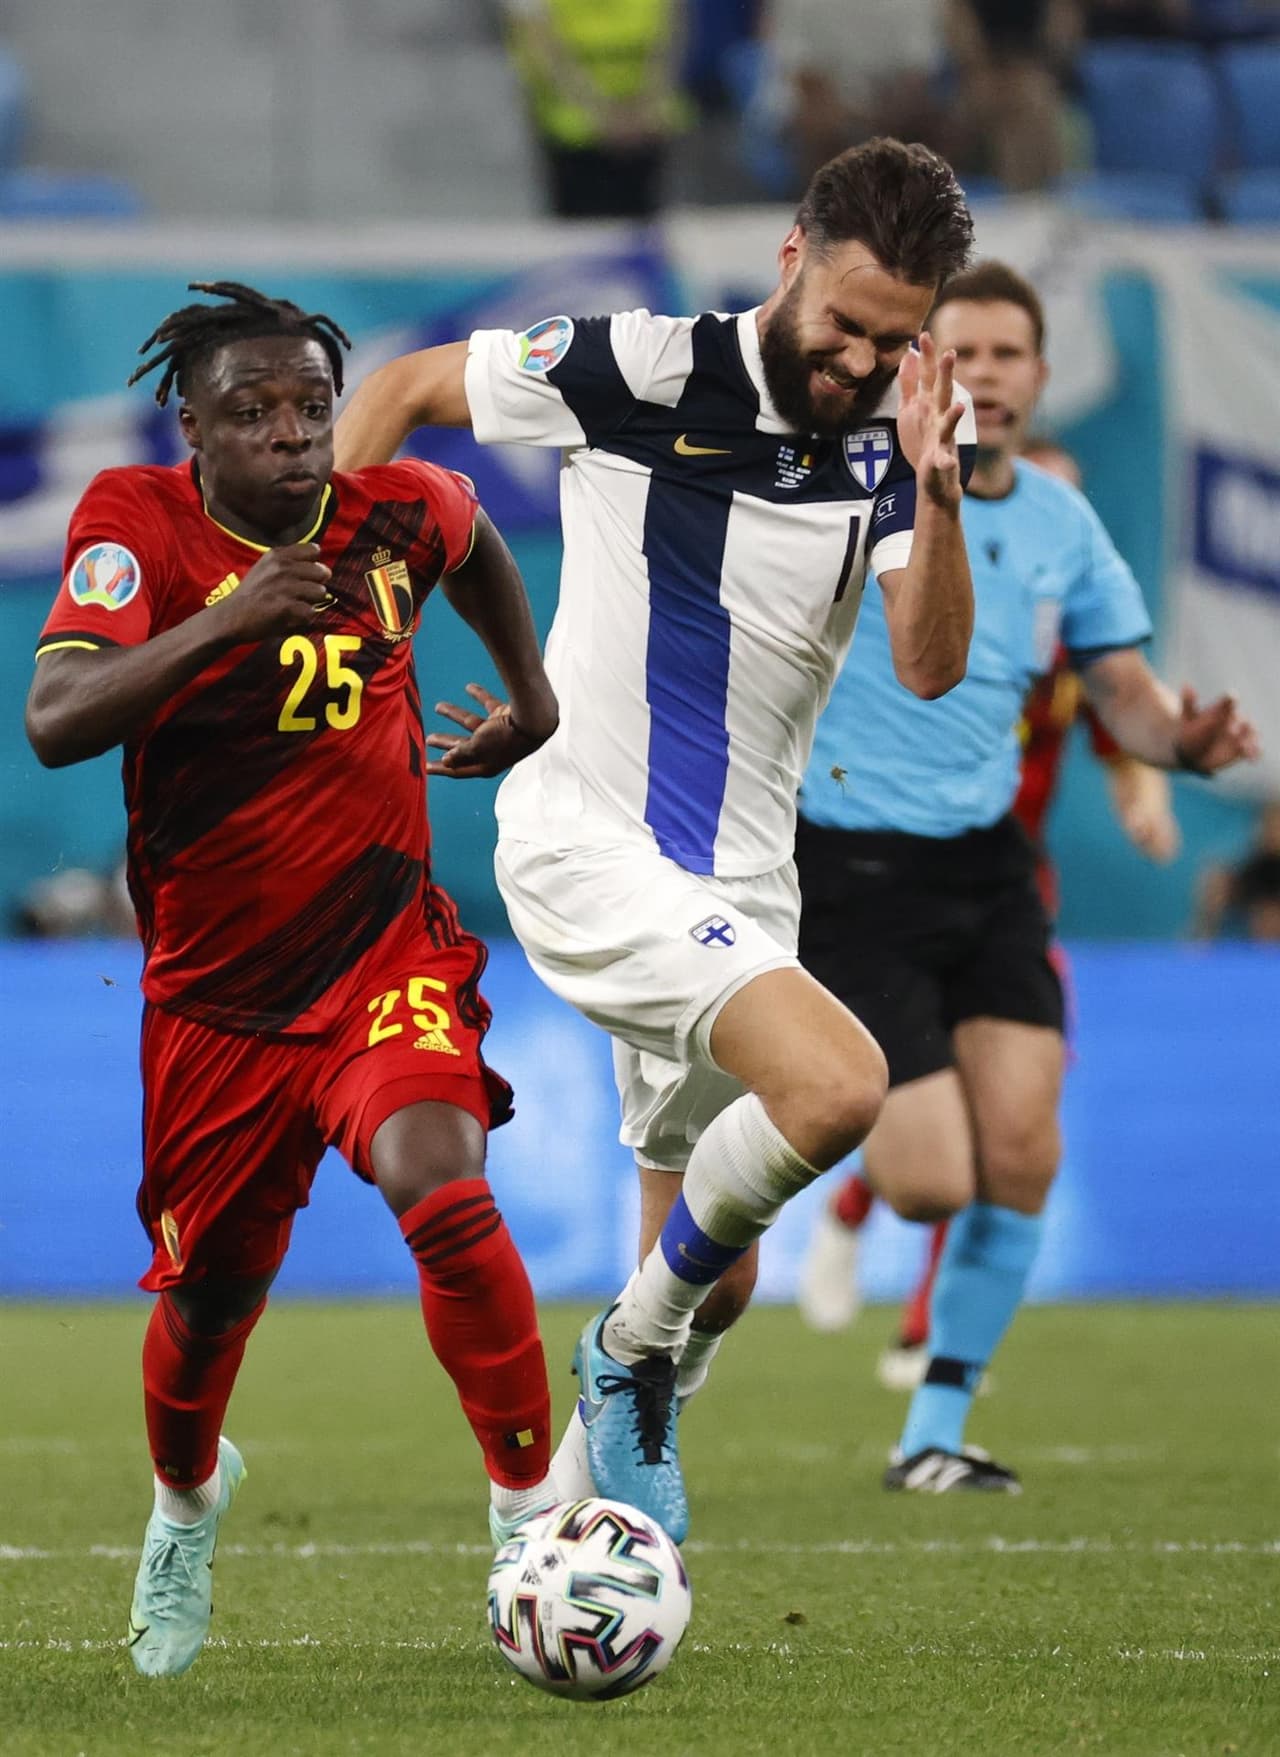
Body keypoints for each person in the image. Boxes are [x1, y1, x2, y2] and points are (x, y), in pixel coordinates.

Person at [335, 138, 979, 1540]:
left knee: (715, 1278)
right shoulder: (638, 366)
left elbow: (929, 666)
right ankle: (625, 1357)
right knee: (838, 1088)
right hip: (586, 842)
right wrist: (317, 595)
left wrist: (934, 481)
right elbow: (401, 388)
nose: (862, 363)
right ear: (791, 261)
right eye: (846, 327)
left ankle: (555, 1545)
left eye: (895, 341)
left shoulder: (904, 432)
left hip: (742, 882)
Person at [23, 282, 561, 1677]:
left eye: (312, 408)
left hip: (384, 951)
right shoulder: (133, 529)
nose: (293, 437)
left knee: (444, 1184)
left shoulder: (400, 512)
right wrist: (225, 622)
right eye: (253, 413)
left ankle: (528, 1518)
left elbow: (478, 534)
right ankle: (186, 1504)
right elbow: (57, 719)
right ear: (190, 426)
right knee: (205, 1314)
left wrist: (536, 696)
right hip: (215, 1003)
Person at [791, 259, 1256, 1493]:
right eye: (963, 352)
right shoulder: (840, 489)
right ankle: (780, 1123)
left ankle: (932, 1434)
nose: (983, 376)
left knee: (1024, 1154)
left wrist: (1182, 743)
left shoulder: (1060, 524)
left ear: (1038, 380)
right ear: (913, 367)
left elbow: (1125, 699)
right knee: (930, 1175)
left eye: (1007, 356)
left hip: (988, 867)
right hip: (844, 867)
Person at [799, 435, 1181, 1366]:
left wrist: (1148, 795)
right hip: (878, 880)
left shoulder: (1066, 646)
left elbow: (1129, 718)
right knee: (933, 1134)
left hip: (1005, 884)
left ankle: (931, 1332)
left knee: (1004, 1119)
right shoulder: (923, 611)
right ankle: (854, 1201)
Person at [502, 0, 689, 218]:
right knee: (584, 227)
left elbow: (674, 33)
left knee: (654, 225)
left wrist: (644, 105)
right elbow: (538, 45)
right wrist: (604, 113)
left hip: (648, 128)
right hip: (574, 133)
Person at [1193, 800, 1280, 942]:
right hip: (1245, 936)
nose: (1275, 831)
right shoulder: (1253, 867)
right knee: (1217, 882)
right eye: (1271, 825)